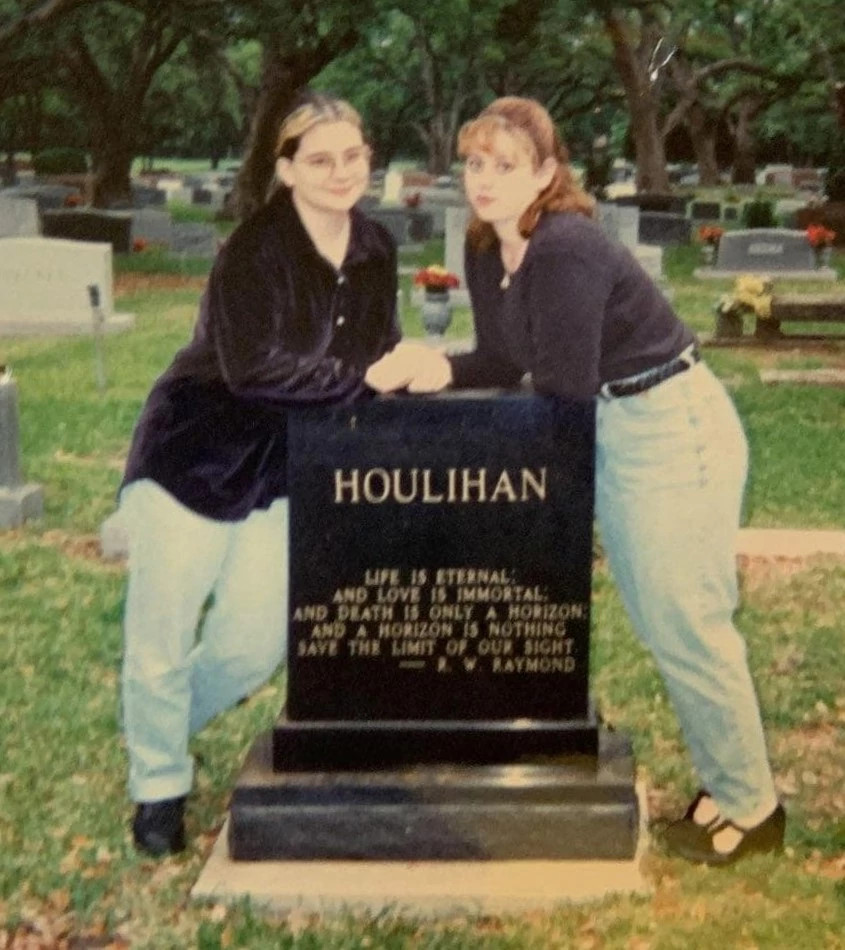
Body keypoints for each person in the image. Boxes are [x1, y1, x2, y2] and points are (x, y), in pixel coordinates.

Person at [366, 96, 784, 866]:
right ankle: (728, 784)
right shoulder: (485, 244)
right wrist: (432, 367)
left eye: (505, 166)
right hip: (612, 424)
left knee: (685, 620)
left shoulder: (565, 247)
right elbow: (499, 360)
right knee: (665, 621)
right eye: (475, 163)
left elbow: (559, 385)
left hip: (669, 425)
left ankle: (753, 810)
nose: (484, 181)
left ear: (546, 175)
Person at [119, 93, 399, 856]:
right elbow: (252, 369)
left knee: (252, 644)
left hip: (282, 466)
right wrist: (368, 377)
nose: (339, 172)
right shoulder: (254, 248)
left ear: (368, 159)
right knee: (161, 639)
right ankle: (157, 786)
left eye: (352, 156)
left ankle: (159, 724)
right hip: (194, 455)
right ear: (286, 169)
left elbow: (382, 347)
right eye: (318, 159)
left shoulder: (377, 246)